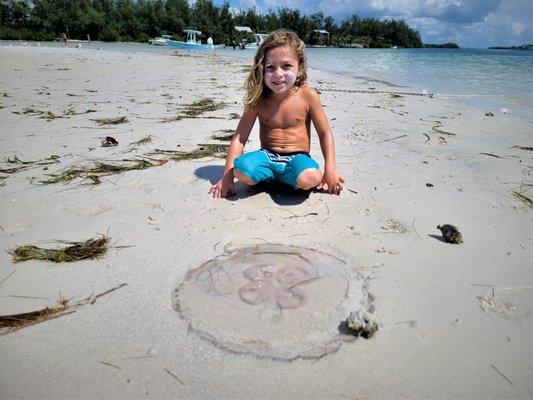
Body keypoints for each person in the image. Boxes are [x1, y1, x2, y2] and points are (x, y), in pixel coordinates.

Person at [209, 29, 344, 199]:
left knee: (310, 176)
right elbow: (239, 138)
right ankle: (277, 178)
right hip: (267, 156)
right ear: (261, 69)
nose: (278, 74)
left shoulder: (308, 96)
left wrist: (330, 169)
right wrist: (227, 177)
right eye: (270, 67)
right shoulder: (258, 99)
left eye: (286, 66)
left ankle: (286, 178)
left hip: (297, 158)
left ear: (300, 68)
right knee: (241, 170)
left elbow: (325, 134)